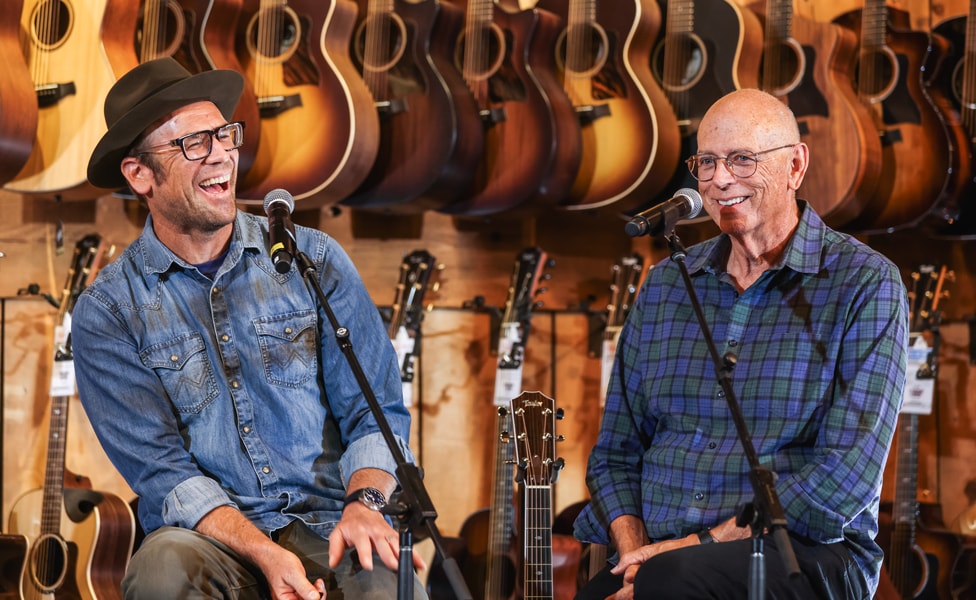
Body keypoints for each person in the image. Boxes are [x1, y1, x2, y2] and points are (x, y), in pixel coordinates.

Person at [72, 57, 427, 599]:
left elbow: (374, 412)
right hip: (215, 539)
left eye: (224, 134)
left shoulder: (315, 259)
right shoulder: (109, 311)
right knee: (163, 568)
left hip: (333, 518)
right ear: (139, 174)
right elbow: (160, 472)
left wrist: (365, 505)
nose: (220, 154)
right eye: (193, 144)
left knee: (386, 580)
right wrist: (262, 550)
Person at [573, 89, 909, 600]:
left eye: (742, 160)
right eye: (706, 162)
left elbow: (846, 474)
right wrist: (634, 554)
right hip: (657, 560)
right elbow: (615, 452)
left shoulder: (864, 283)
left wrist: (693, 546)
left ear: (795, 164)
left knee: (674, 582)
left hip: (803, 552)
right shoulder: (666, 284)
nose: (719, 179)